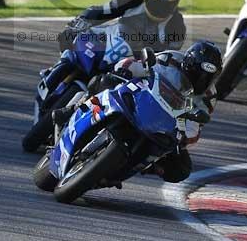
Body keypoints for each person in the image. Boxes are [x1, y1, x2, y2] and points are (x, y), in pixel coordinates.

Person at [56, 40, 223, 183]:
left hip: (166, 123)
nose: (201, 80)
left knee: (182, 168)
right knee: (104, 81)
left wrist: (185, 137)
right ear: (187, 64)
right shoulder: (170, 58)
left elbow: (197, 126)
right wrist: (124, 70)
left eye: (208, 77)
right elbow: (138, 63)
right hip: (142, 99)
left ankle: (145, 165)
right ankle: (75, 108)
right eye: (198, 73)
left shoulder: (209, 97)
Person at [59, 0, 186, 55]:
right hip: (109, 46)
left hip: (138, 70)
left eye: (166, 5)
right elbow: (100, 12)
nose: (160, 9)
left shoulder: (177, 25)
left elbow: (169, 58)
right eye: (156, 3)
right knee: (68, 39)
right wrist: (78, 24)